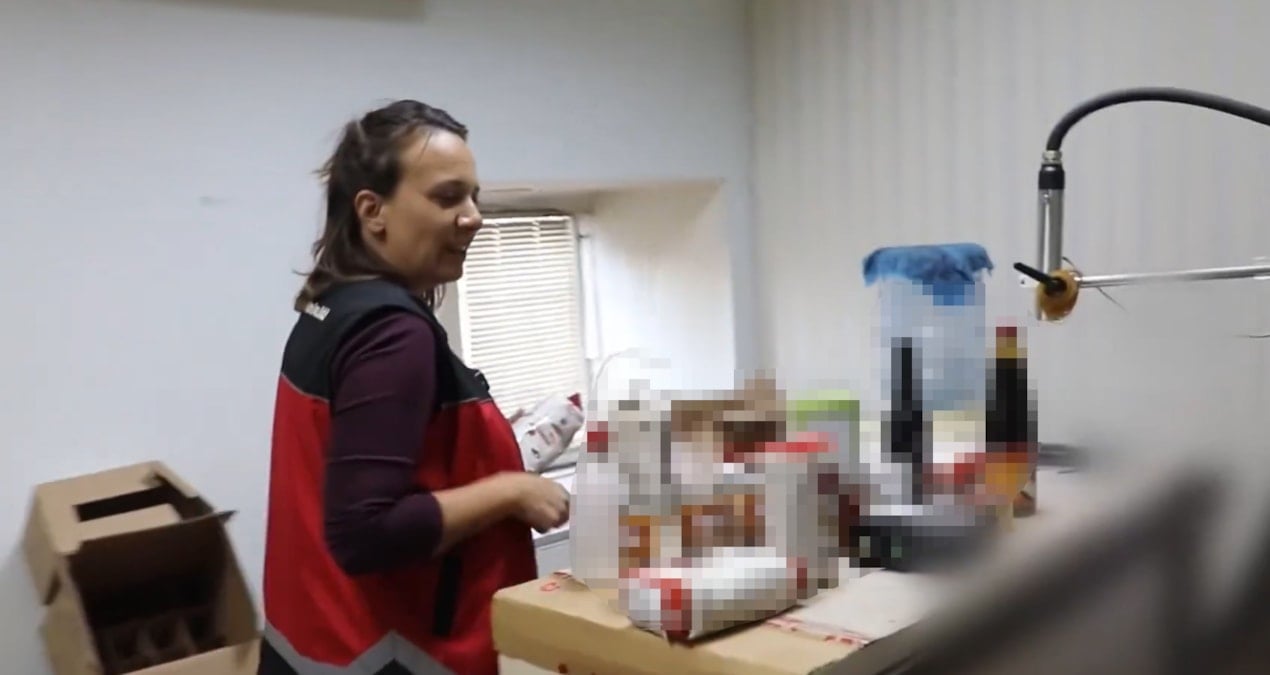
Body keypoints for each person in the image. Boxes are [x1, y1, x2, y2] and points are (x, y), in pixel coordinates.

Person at [259, 100, 571, 675]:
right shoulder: (392, 334)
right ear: (372, 210)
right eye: (447, 198)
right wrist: (510, 490)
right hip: (391, 655)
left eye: (473, 197)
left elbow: (363, 457)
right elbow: (365, 532)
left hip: (310, 649)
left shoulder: (331, 307)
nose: (473, 217)